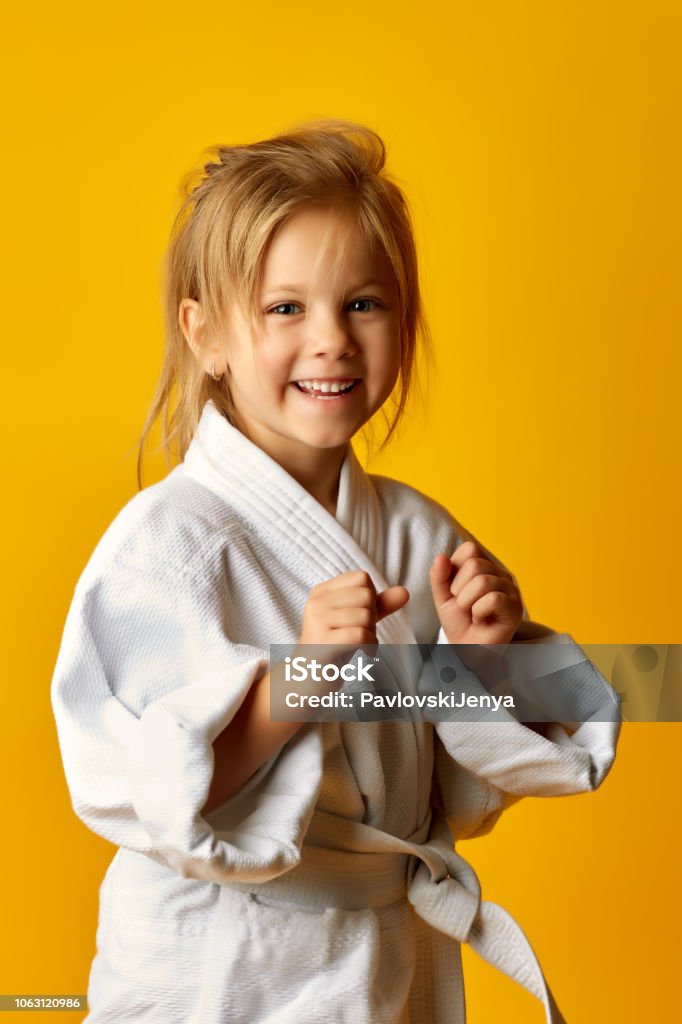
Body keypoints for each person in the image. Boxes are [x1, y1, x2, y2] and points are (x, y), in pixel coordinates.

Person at [51, 119, 620, 1023]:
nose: (332, 341)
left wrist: (480, 669)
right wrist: (297, 682)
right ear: (205, 335)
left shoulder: (416, 532)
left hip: (386, 955)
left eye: (363, 303)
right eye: (286, 308)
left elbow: (453, 800)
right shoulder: (169, 545)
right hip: (218, 964)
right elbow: (147, 793)